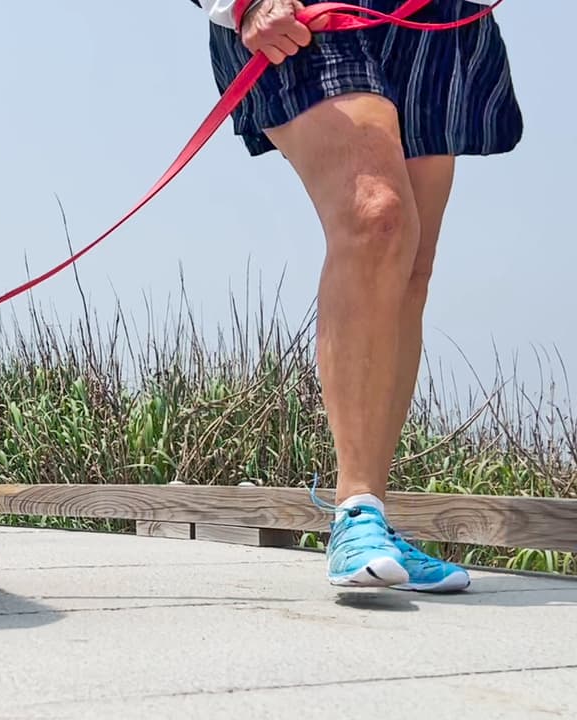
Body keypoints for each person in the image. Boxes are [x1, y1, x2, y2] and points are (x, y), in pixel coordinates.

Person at [193, 0, 522, 592]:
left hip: (436, 24)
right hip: (306, 14)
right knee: (378, 218)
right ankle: (356, 509)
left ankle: (375, 514)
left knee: (409, 270)